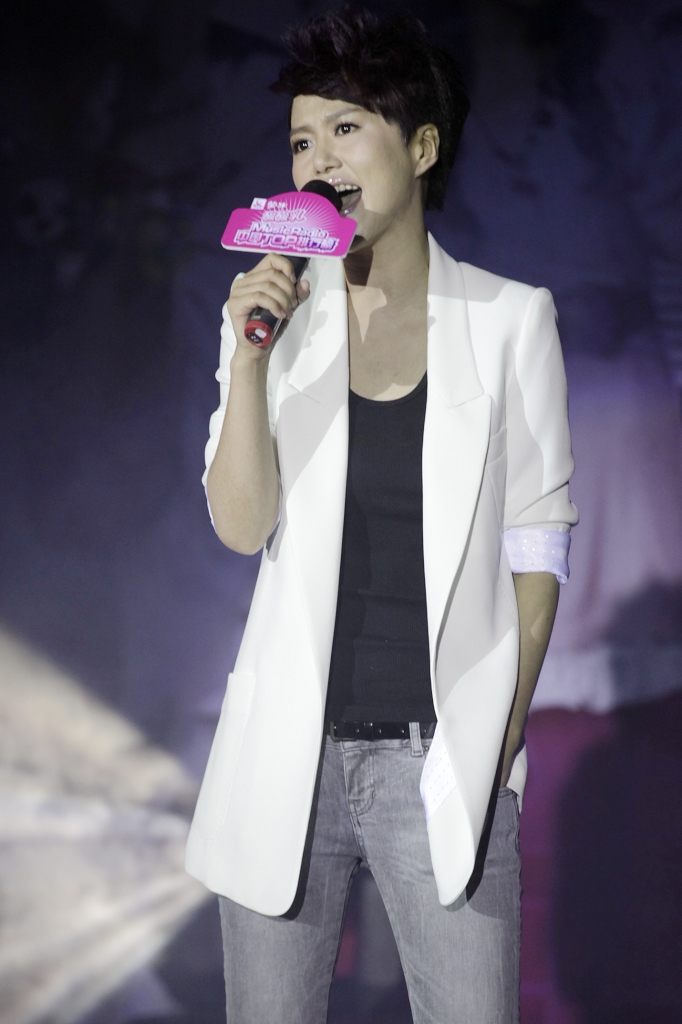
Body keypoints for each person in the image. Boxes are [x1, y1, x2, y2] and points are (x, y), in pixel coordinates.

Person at [185, 8, 577, 1023]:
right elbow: (240, 524)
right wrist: (250, 357)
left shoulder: (508, 319)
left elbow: (537, 541)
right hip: (288, 758)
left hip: (440, 758)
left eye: (346, 129)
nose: (318, 160)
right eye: (300, 142)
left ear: (422, 146)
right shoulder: (275, 317)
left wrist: (496, 741)